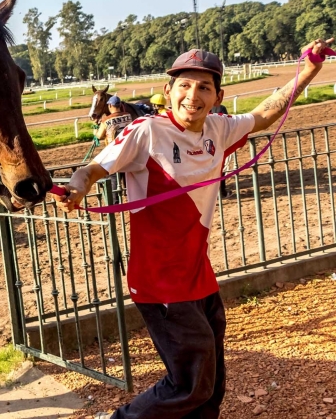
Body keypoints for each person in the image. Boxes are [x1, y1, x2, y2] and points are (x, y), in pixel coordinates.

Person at [57, 40, 332, 419]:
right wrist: (77, 186)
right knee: (189, 382)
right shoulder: (145, 131)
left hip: (199, 277)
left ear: (218, 96)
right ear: (167, 91)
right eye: (184, 85)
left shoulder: (219, 129)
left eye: (204, 87)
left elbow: (265, 113)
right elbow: (92, 170)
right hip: (160, 281)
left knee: (212, 384)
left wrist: (310, 69)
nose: (193, 95)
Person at [96, 96, 132, 204]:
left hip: (113, 153)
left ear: (110, 105)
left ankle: (114, 201)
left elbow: (99, 135)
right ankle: (130, 197)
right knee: (128, 176)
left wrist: (95, 130)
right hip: (128, 151)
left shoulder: (106, 120)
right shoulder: (128, 116)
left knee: (113, 178)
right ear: (120, 105)